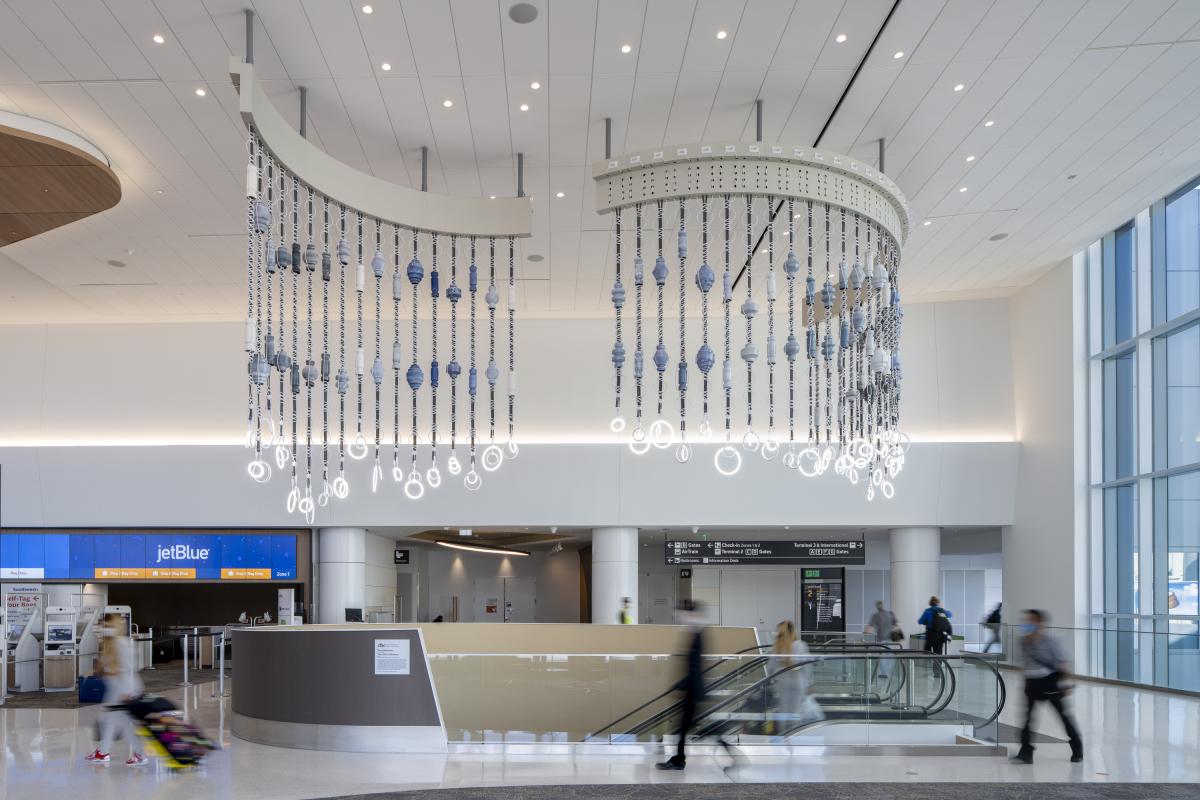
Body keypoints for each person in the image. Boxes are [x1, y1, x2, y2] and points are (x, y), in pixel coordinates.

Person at [1013, 609, 1083, 765]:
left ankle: (1077, 748)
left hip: (1049, 682)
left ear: (1039, 623)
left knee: (1063, 716)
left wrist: (1065, 684)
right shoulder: (1023, 642)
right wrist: (1025, 684)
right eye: (1026, 621)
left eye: (1031, 621)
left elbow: (1063, 663)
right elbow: (1025, 665)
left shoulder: (1050, 641)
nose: (1027, 624)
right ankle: (1026, 752)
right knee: (1027, 718)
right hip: (1032, 684)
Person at [85, 614, 147, 766]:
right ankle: (103, 752)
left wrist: (126, 692)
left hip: (124, 690)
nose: (104, 629)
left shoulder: (122, 644)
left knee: (123, 724)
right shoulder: (110, 645)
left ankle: (137, 754)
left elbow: (130, 668)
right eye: (102, 626)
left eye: (108, 626)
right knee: (113, 722)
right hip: (115, 690)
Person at [657, 600, 706, 770]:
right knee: (685, 728)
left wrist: (681, 684)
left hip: (693, 692)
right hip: (692, 691)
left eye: (685, 614)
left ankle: (679, 760)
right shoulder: (695, 632)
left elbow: (695, 667)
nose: (682, 618)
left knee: (689, 729)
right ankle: (679, 759)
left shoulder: (698, 634)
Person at [765, 620, 823, 734]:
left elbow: (770, 669)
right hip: (798, 685)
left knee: (784, 711)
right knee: (796, 712)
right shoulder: (800, 645)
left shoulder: (777, 648)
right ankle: (794, 735)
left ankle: (784, 736)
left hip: (781, 685)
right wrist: (808, 684)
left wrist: (773, 682)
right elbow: (807, 667)